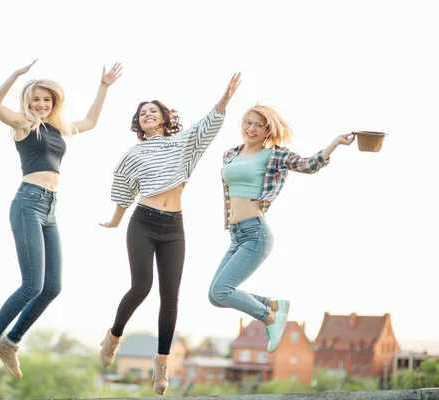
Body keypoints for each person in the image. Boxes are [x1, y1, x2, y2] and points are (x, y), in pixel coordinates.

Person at [0, 59, 123, 380]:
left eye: (46, 100)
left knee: (52, 287)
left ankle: (11, 343)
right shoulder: (23, 124)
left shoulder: (58, 129)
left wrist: (104, 86)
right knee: (31, 286)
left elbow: (92, 121)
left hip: (50, 207)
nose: (41, 104)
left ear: (54, 102)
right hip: (27, 202)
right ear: (27, 102)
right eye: (36, 99)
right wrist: (15, 76)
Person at [99, 72, 242, 395]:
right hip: (143, 222)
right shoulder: (133, 154)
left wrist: (225, 98)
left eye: (153, 111)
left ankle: (161, 366)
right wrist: (115, 220)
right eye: (141, 114)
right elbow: (123, 191)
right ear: (139, 124)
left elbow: (209, 124)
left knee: (171, 297)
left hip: (174, 226)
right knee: (141, 287)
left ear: (164, 117)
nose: (147, 115)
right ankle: (113, 337)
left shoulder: (184, 143)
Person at [208, 103, 355, 352]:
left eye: (258, 125)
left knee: (222, 291)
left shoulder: (274, 155)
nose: (251, 129)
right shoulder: (229, 155)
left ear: (268, 130)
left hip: (256, 233)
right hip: (236, 235)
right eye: (248, 122)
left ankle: (270, 317)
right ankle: (274, 306)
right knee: (215, 296)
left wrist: (335, 144)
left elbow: (309, 164)